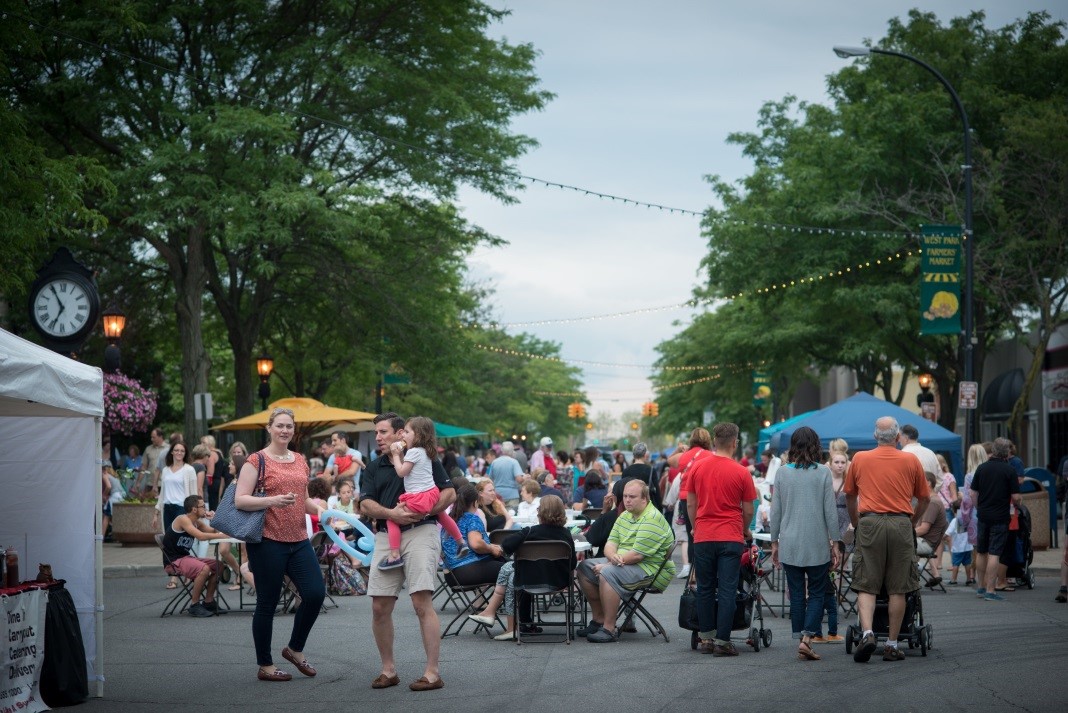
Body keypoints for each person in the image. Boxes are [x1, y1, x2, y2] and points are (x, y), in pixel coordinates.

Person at [360, 412, 456, 692]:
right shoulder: (374, 466)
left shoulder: (424, 456)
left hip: (421, 531)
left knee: (420, 602)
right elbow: (365, 504)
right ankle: (388, 670)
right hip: (386, 534)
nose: (378, 437)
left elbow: (449, 493)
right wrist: (392, 513)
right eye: (376, 432)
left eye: (383, 432)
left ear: (401, 433)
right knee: (379, 606)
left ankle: (432, 673)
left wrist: (425, 510)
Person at [234, 407, 325, 682]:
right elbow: (240, 499)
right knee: (267, 603)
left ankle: (295, 649)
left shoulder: (299, 459)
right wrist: (271, 501)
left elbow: (304, 499)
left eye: (289, 426)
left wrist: (325, 512)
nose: (285, 430)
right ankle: (265, 665)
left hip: (298, 540)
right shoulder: (256, 460)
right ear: (269, 428)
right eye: (280, 425)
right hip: (268, 540)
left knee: (315, 594)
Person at [845, 416, 929, 663]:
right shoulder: (910, 460)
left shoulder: (860, 458)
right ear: (897, 437)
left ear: (875, 436)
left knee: (866, 583)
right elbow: (924, 498)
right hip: (901, 522)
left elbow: (850, 496)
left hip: (869, 521)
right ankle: (892, 644)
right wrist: (912, 522)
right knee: (898, 586)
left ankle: (868, 633)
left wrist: (857, 521)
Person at [769, 426, 840, 662]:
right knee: (818, 591)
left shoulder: (782, 473)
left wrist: (774, 541)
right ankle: (807, 638)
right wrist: (836, 542)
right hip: (817, 541)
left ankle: (799, 635)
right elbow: (830, 511)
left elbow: (775, 511)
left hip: (789, 541)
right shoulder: (823, 473)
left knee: (797, 592)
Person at [686, 423, 755, 657]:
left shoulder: (697, 467)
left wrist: (696, 527)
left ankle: (706, 638)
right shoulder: (742, 472)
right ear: (735, 443)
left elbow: (690, 503)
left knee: (705, 588)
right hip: (730, 536)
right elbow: (748, 510)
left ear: (714, 441)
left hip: (704, 535)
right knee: (727, 590)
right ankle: (723, 641)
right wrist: (744, 530)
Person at [576, 479, 675, 642]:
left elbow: (637, 555)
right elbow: (610, 543)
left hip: (650, 570)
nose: (627, 500)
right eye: (625, 496)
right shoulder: (625, 516)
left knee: (607, 573)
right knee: (584, 567)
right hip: (624, 563)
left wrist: (610, 563)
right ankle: (599, 619)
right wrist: (612, 557)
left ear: (645, 499)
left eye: (632, 497)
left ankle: (609, 629)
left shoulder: (652, 518)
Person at [468, 495, 576, 640]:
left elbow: (506, 545)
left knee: (510, 572)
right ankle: (503, 618)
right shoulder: (566, 534)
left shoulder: (530, 532)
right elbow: (573, 564)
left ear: (541, 512)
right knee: (511, 573)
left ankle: (498, 617)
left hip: (528, 581)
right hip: (558, 582)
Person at [379, 416, 467, 570]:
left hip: (418, 498)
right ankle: (460, 541)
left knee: (392, 518)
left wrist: (395, 455)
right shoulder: (427, 452)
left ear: (418, 435)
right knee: (441, 514)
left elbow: (401, 472)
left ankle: (394, 556)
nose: (403, 435)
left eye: (406, 432)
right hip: (432, 493)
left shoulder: (413, 452)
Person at [969, 437, 1022, 601]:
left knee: (982, 551)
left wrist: (979, 508)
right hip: (1000, 516)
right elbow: (1016, 496)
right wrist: (1018, 505)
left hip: (983, 515)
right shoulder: (1009, 470)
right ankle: (991, 590)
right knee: (994, 553)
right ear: (1006, 452)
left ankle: (980, 587)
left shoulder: (982, 468)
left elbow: (972, 493)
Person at [162, 495, 223, 617]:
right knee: (204, 569)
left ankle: (208, 601)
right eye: (203, 506)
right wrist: (222, 536)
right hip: (174, 561)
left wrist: (213, 519)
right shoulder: (182, 519)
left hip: (185, 558)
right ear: (194, 509)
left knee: (219, 565)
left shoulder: (196, 522)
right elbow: (201, 536)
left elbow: (212, 531)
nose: (205, 509)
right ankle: (194, 605)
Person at [153, 441, 198, 592]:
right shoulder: (165, 470)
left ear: (185, 454)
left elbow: (193, 493)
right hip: (168, 508)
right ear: (171, 452)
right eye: (176, 450)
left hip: (181, 508)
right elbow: (162, 492)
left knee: (181, 542)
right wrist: (156, 511)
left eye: (182, 451)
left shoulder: (189, 470)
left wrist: (195, 512)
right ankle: (174, 571)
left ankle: (177, 576)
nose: (179, 453)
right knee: (169, 542)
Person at [440, 484, 505, 585]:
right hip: (468, 570)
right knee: (515, 570)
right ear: (475, 503)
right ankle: (504, 601)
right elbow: (476, 544)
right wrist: (491, 549)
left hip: (451, 575)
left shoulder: (450, 519)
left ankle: (489, 601)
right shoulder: (472, 518)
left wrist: (490, 546)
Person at [915, 470, 949, 586]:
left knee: (895, 544)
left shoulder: (932, 503)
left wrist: (904, 534)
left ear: (928, 483)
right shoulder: (933, 501)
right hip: (928, 542)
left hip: (926, 543)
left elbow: (923, 529)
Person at [613, 442, 660, 510]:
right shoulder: (651, 470)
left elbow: (622, 489)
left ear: (633, 455)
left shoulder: (626, 471)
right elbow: (657, 491)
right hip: (647, 505)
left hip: (630, 506)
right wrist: (660, 507)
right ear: (644, 454)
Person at [945, 501, 974, 585]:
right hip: (968, 546)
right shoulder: (968, 519)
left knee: (955, 564)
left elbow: (948, 533)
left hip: (957, 548)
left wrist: (942, 538)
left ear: (954, 511)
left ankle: (953, 579)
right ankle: (969, 579)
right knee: (967, 563)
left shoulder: (955, 520)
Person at [488, 441, 524, 506]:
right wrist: (524, 478)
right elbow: (519, 479)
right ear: (512, 450)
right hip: (512, 495)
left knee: (499, 515)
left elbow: (490, 479)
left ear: (502, 450)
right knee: (512, 515)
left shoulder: (494, 462)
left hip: (497, 494)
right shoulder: (514, 462)